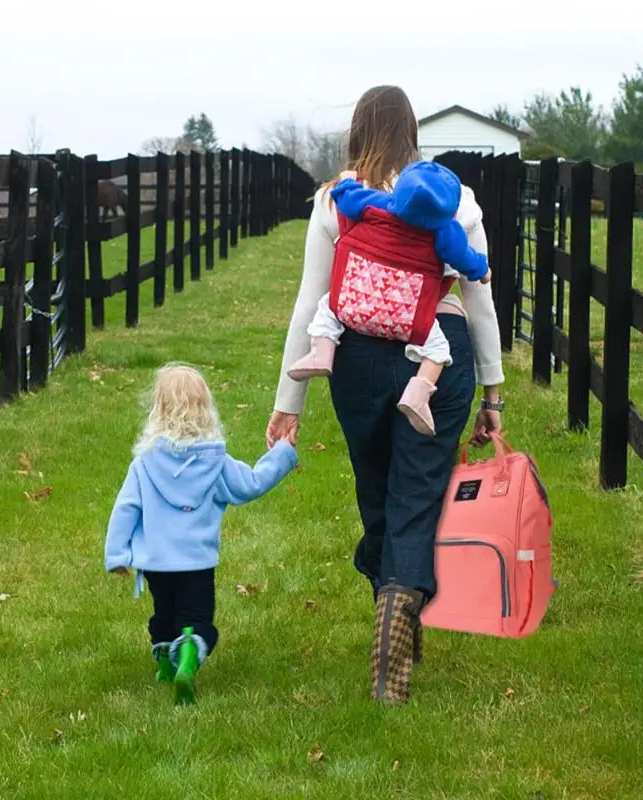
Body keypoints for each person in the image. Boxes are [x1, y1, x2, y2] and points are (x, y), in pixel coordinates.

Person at [266, 86, 505, 705]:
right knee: (418, 495)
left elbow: (309, 300)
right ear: (412, 132)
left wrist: (286, 405)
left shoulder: (336, 199)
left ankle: (391, 608)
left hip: (359, 359)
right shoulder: (458, 197)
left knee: (377, 490)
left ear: (356, 132)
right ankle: (401, 614)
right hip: (437, 354)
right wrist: (494, 391)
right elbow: (479, 295)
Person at [105, 364, 298, 704]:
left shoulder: (145, 463)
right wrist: (282, 452)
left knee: (163, 612)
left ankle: (165, 664)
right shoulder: (216, 462)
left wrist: (118, 555)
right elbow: (251, 483)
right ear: (206, 409)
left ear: (159, 410)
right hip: (197, 562)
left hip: (157, 564)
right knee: (196, 620)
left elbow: (126, 508)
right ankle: (189, 658)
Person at [286, 160, 492, 436]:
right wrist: (484, 270)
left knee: (327, 306)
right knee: (439, 350)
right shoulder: (445, 232)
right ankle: (417, 394)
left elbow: (346, 199)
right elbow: (465, 260)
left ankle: (322, 352)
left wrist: (348, 178)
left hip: (354, 306)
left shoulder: (376, 205)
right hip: (410, 319)